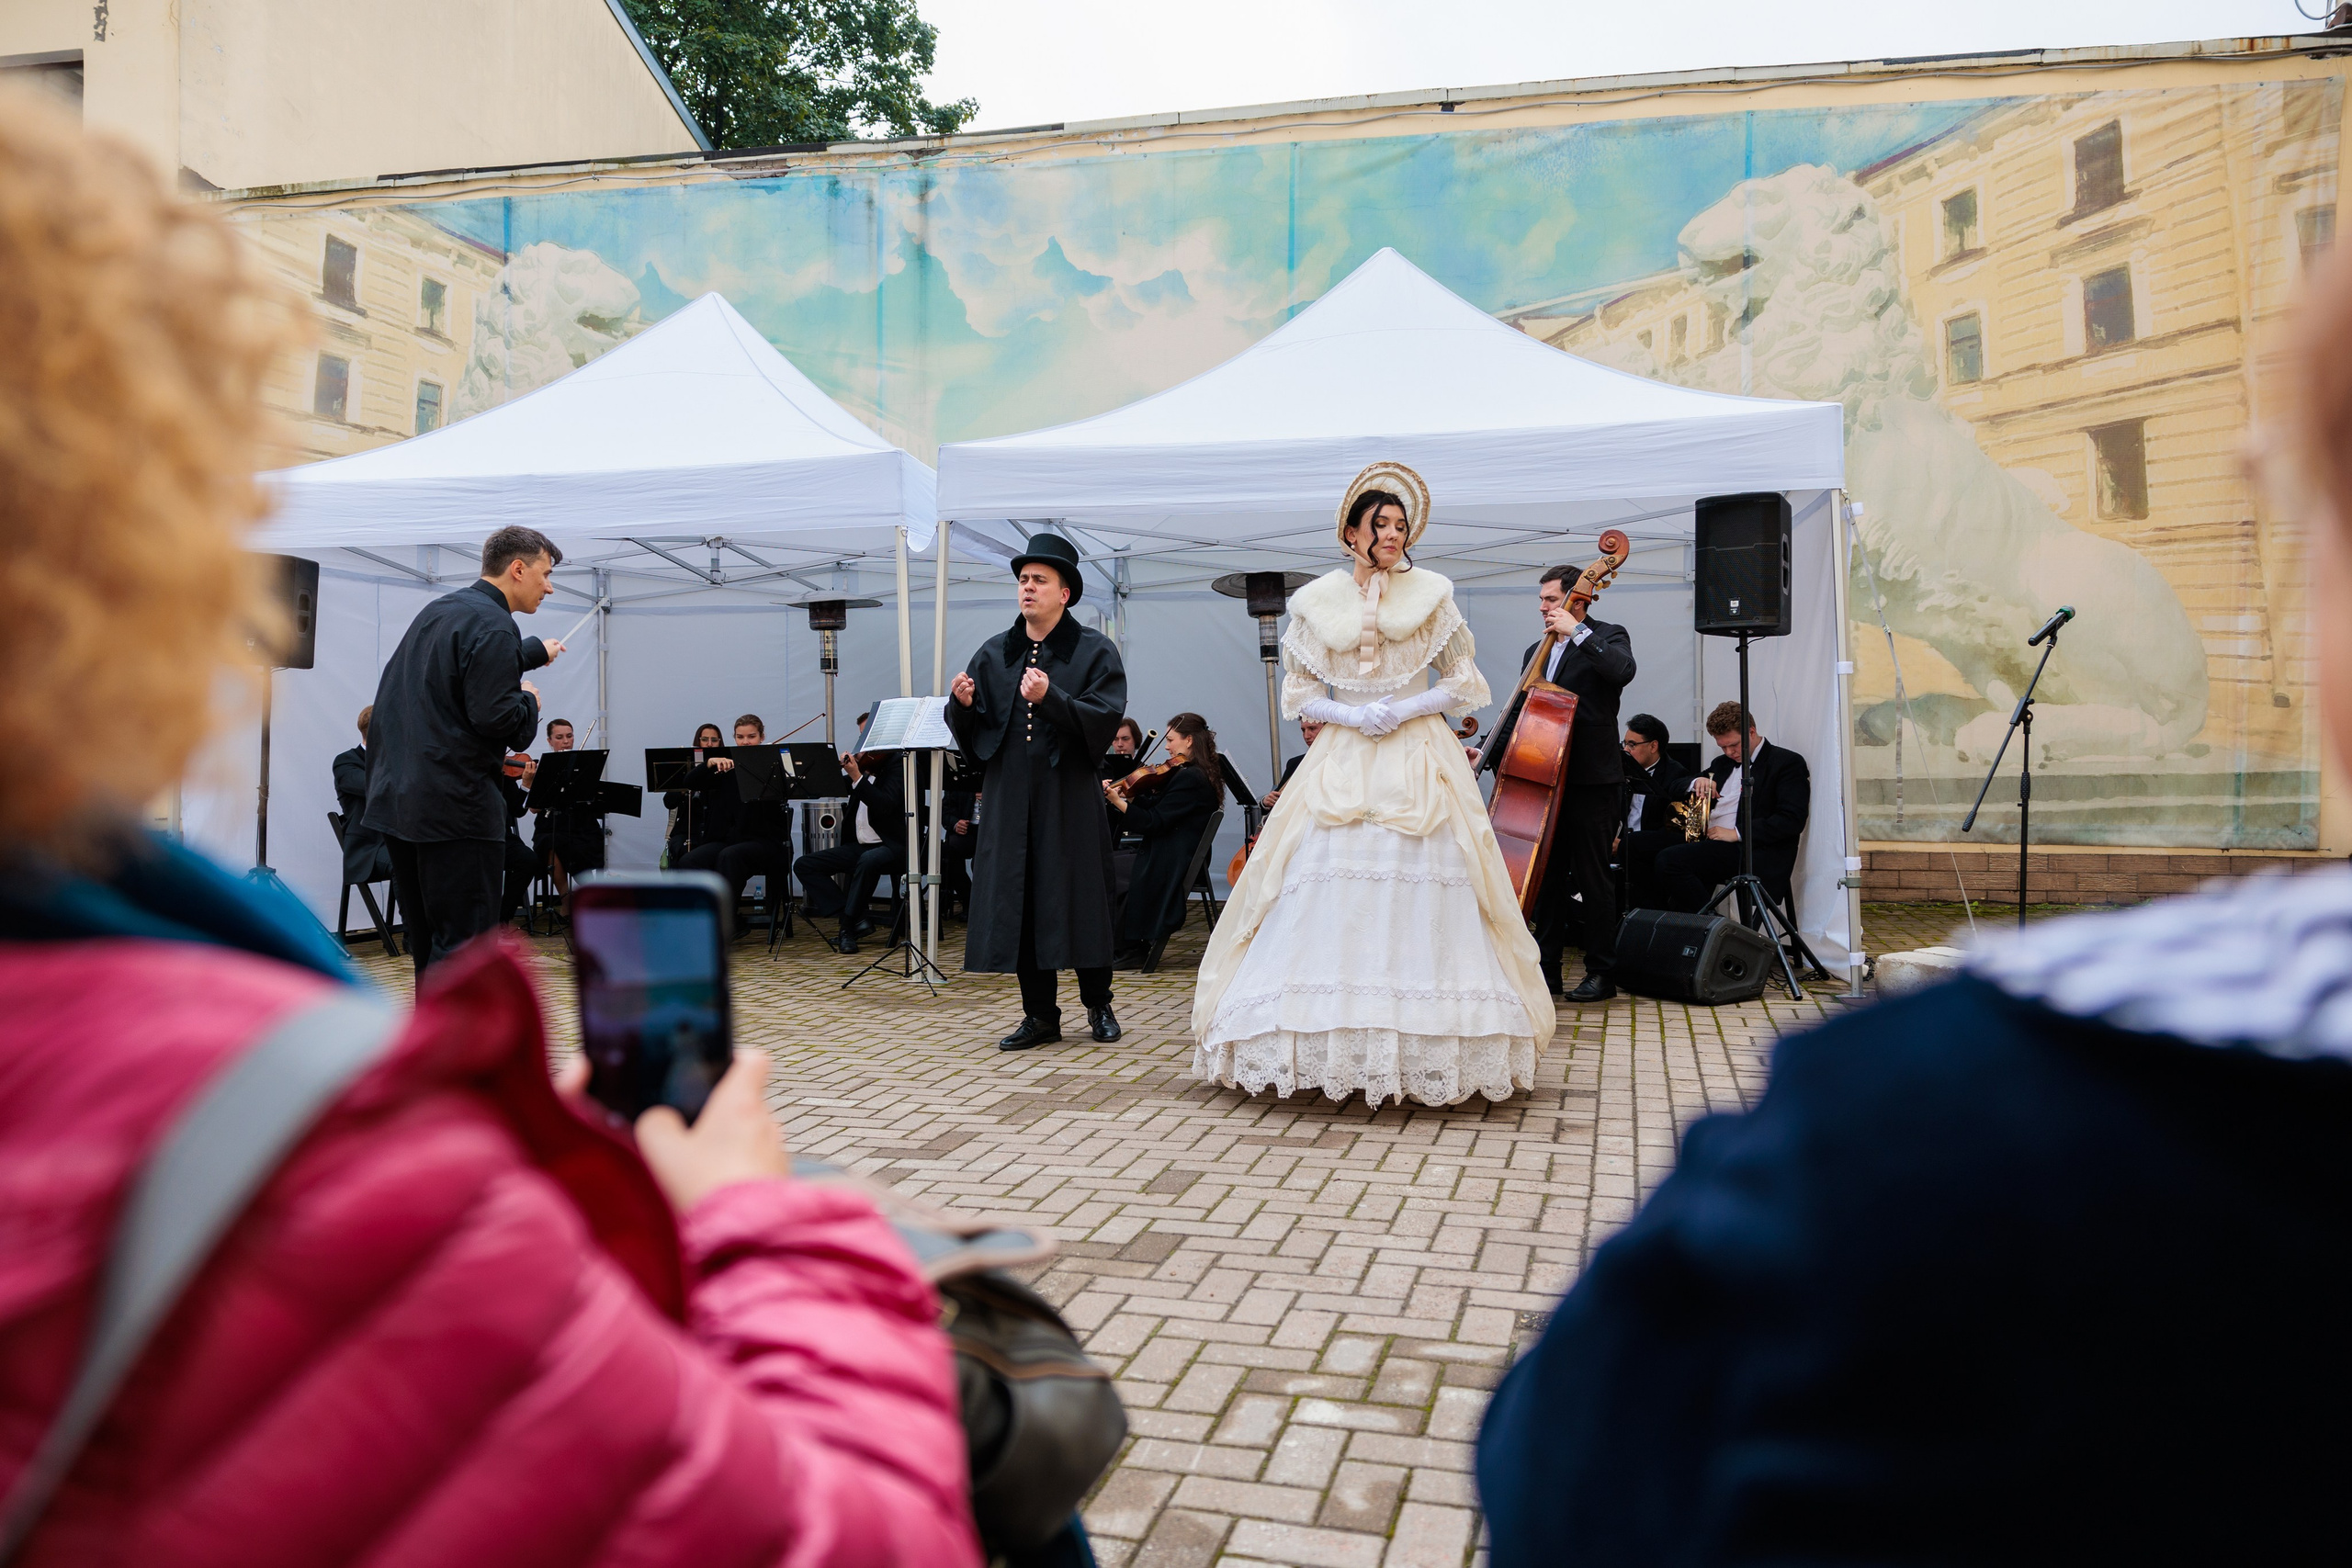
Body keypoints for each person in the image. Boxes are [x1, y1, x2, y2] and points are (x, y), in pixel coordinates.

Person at [0, 93, 980, 1567]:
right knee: (468, 948)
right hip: (448, 818)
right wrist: (743, 1220)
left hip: (413, 806)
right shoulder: (283, 1137)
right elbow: (834, 1535)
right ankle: (474, 1065)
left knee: (461, 937)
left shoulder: (425, 632)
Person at [1475, 246, 2352, 1568]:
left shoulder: (1938, 1117)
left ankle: (1598, 954)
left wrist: (1578, 638)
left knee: (1637, 871)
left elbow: (1565, 1471)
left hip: (1613, 805)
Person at [1193, 463, 1555, 1107]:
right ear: (1352, 532)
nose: (1392, 534)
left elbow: (1465, 680)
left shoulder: (1431, 594)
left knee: (1426, 881)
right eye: (1380, 524)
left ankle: (1425, 1044)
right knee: (1324, 881)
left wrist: (1410, 707)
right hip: (1344, 753)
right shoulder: (1319, 602)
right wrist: (1350, 713)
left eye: (1399, 524)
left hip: (1417, 751)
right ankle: (1330, 1042)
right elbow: (1299, 691)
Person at [946, 533, 1126, 1051]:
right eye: (1023, 580)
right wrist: (959, 704)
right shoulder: (994, 653)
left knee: (1080, 897)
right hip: (1010, 798)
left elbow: (1104, 718)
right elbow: (973, 733)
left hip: (1067, 795)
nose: (1027, 588)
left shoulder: (1094, 650)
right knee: (1020, 900)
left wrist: (1052, 698)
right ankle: (1041, 1016)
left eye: (1039, 580)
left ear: (1065, 592)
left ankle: (1098, 1003)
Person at [362, 523, 565, 976]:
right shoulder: (496, 626)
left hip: (400, 804)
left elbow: (460, 677)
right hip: (455, 810)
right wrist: (530, 701)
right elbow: (501, 722)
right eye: (545, 574)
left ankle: (435, 1046)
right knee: (463, 955)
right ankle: (460, 1048)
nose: (549, 587)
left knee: (431, 949)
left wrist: (529, 653)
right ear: (518, 569)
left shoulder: (441, 611)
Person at [1477, 561, 1637, 1001]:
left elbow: (1622, 671)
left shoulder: (1608, 635)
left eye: (1551, 600)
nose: (1544, 608)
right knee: (1545, 878)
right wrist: (1488, 750)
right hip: (1545, 778)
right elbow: (1522, 711)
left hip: (1591, 779)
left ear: (1574, 598)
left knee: (1593, 877)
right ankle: (1545, 972)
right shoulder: (1537, 650)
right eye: (1542, 601)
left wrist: (1578, 632)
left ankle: (1602, 973)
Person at [1653, 701, 1809, 918]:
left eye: (1734, 745)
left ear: (1751, 732)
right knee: (1637, 848)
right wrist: (1697, 781)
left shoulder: (1786, 762)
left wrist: (1737, 833)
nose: (1729, 752)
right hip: (1706, 839)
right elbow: (1675, 786)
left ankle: (1713, 925)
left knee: (1670, 860)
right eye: (1722, 747)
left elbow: (1792, 820)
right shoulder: (1722, 763)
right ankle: (1659, 929)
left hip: (1749, 850)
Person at [1108, 713, 1222, 969]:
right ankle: (1125, 942)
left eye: (1171, 740)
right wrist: (1131, 795)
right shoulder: (1192, 772)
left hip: (1173, 860)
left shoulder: (1191, 777)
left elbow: (1154, 822)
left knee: (1105, 869)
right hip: (1173, 852)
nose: (1167, 746)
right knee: (1108, 861)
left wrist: (1118, 802)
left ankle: (1128, 946)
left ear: (1189, 740)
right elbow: (1160, 809)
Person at [679, 714, 794, 924]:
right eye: (740, 737)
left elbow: (793, 788)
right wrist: (709, 763)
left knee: (729, 856)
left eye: (751, 736)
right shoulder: (726, 765)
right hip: (728, 840)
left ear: (762, 736)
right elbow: (690, 781)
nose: (745, 742)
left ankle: (725, 923)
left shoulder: (773, 765)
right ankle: (696, 922)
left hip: (764, 842)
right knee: (689, 861)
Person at [795, 749, 909, 955]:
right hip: (860, 846)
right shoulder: (865, 769)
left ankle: (847, 928)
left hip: (892, 845)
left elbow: (885, 805)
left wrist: (856, 776)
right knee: (804, 865)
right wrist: (804, 773)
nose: (862, 750)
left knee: (868, 860)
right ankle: (856, 919)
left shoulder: (899, 766)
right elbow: (829, 785)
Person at [1615, 713, 1695, 912]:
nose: (1626, 750)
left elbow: (1677, 832)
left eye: (1632, 745)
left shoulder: (1676, 775)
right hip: (1622, 842)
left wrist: (1625, 843)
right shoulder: (1619, 769)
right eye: (1624, 743)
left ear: (1653, 746)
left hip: (1648, 849)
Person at [529, 716, 606, 900]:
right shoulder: (543, 766)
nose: (566, 741)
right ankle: (566, 898)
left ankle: (591, 896)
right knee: (549, 842)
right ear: (549, 741)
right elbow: (533, 809)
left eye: (569, 736)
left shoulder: (586, 763)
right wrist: (529, 782)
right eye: (559, 737)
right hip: (551, 823)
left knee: (586, 844)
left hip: (582, 823)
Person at [331, 705, 393, 890]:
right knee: (406, 862)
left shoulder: (398, 760)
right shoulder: (346, 762)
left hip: (403, 841)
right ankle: (415, 920)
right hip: (369, 849)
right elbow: (374, 787)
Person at [662, 721, 730, 864]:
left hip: (714, 831)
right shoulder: (688, 765)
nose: (709, 744)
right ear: (697, 741)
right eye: (704, 740)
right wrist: (688, 782)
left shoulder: (726, 767)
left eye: (714, 740)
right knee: (680, 848)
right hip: (687, 830)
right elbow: (669, 802)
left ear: (720, 742)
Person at [1260, 716, 1324, 809]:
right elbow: (1277, 797)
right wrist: (1266, 802)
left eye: (1312, 729)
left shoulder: (1345, 760)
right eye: (1303, 730)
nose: (1306, 736)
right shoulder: (1295, 763)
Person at [1101, 716, 1147, 780]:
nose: (1119, 744)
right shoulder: (1102, 770)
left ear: (1136, 740)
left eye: (1125, 739)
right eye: (1115, 739)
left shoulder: (1144, 771)